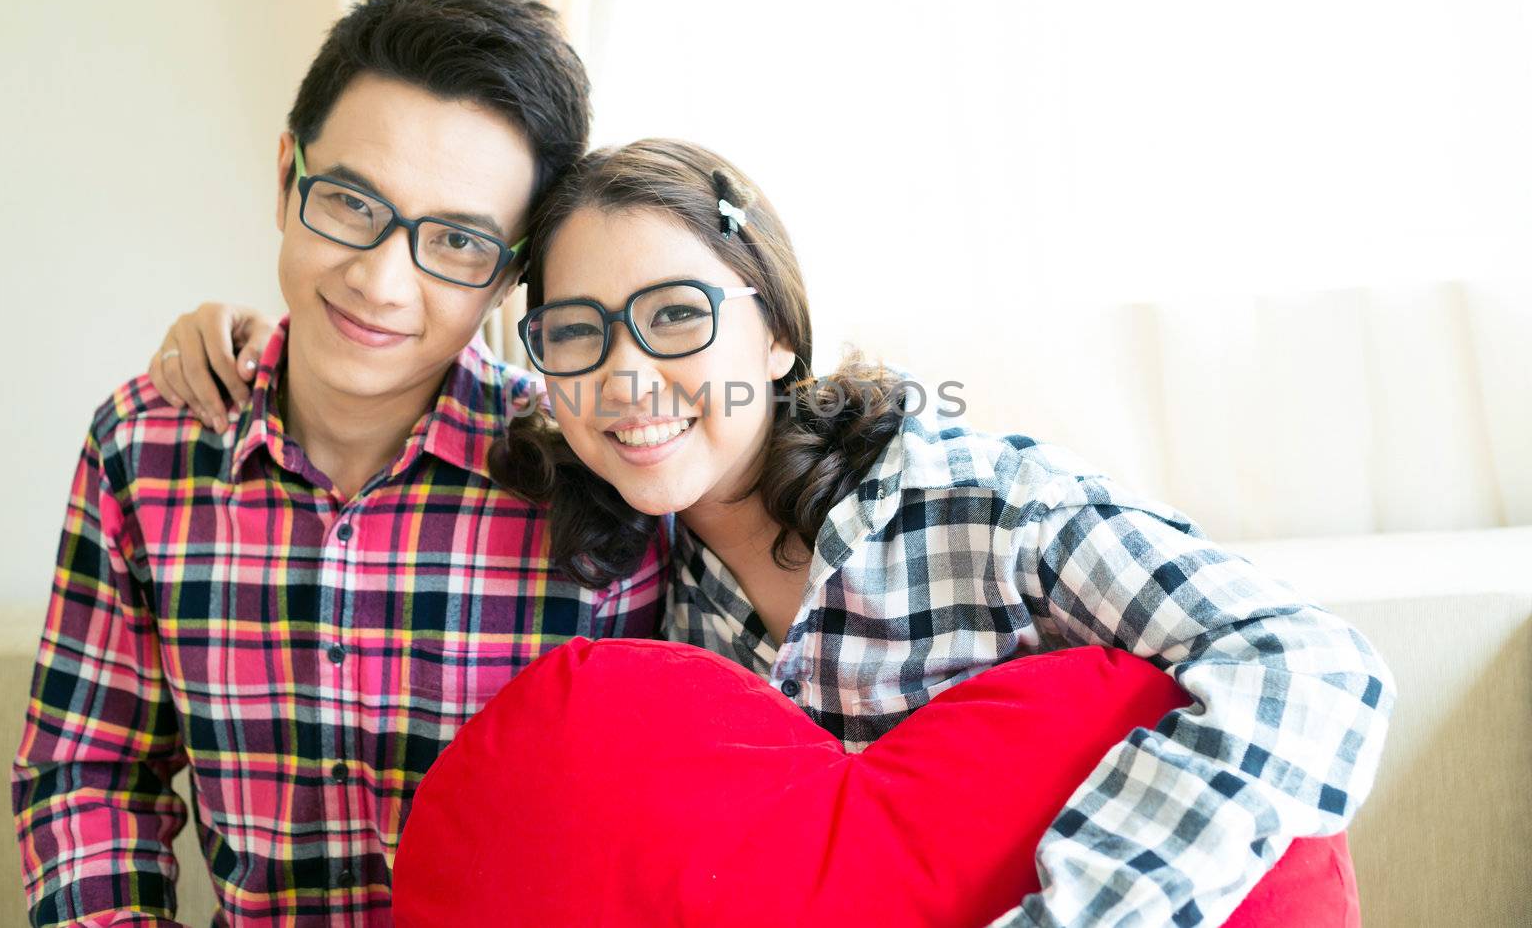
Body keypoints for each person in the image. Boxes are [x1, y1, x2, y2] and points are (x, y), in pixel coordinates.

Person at [166, 138, 1395, 926]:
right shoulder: (632, 579)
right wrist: (236, 342)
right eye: (577, 334)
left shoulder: (984, 505)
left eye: (674, 317)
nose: (627, 376)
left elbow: (1310, 663)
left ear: (778, 335)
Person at [12, 0, 666, 928]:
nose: (381, 281)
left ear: (509, 278)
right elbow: (88, 777)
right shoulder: (145, 449)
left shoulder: (588, 472)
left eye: (456, 243)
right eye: (354, 204)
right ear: (286, 176)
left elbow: (656, 838)